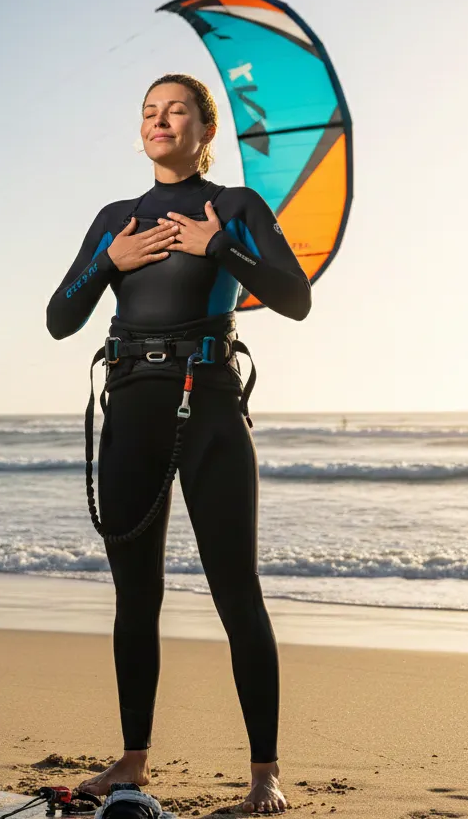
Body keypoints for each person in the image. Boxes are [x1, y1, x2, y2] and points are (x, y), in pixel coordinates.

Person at [46, 74, 310, 813]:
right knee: (137, 596)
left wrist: (221, 246)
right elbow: (59, 319)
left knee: (237, 593)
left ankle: (265, 775)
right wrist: (111, 263)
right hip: (131, 407)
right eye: (149, 112)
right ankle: (132, 761)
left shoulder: (235, 208)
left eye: (177, 110)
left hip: (211, 410)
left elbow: (295, 298)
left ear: (205, 129)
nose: (160, 121)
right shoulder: (117, 219)